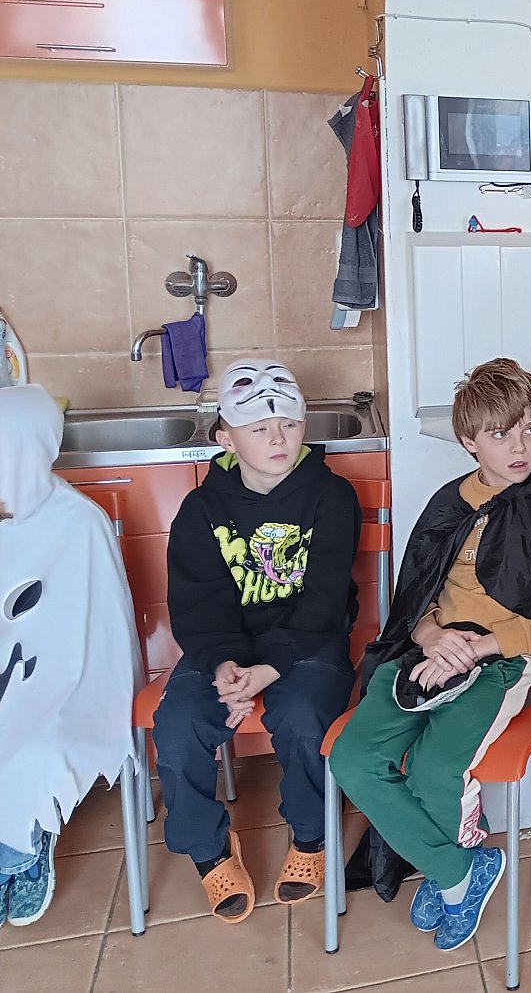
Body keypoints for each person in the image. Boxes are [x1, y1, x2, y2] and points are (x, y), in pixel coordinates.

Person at [330, 358, 531, 954]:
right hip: (435, 649)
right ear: (469, 440)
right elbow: (417, 594)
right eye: (500, 433)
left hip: (506, 660)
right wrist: (431, 636)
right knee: (353, 759)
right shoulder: (450, 504)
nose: (520, 447)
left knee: (436, 769)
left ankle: (450, 876)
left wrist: (479, 647)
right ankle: (460, 869)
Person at [153, 359, 360, 923]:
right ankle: (209, 850)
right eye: (259, 428)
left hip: (310, 641)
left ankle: (312, 835)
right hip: (225, 645)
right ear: (226, 437)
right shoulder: (201, 509)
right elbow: (198, 604)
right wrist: (223, 664)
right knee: (176, 727)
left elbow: (324, 600)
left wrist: (268, 669)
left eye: (289, 425)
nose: (278, 439)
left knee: (303, 718)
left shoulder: (331, 497)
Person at [0, 385, 140, 928]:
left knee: (35, 744)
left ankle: (20, 854)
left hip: (70, 677)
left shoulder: (79, 522)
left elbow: (103, 632)